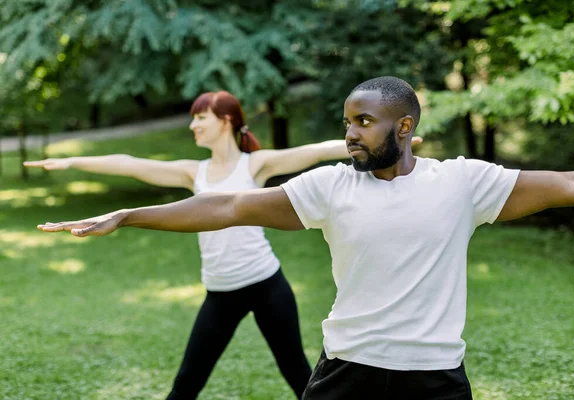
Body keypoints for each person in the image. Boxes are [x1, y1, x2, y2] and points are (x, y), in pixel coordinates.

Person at [36, 76, 574, 400]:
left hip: (435, 379)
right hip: (348, 373)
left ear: (404, 128)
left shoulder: (462, 182)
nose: (349, 134)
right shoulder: (331, 187)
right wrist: (130, 215)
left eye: (363, 123)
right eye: (348, 121)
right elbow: (230, 205)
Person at [25, 89, 423, 399]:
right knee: (187, 382)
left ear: (226, 120)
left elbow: (315, 151)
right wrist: (73, 162)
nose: (194, 125)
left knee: (299, 375)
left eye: (201, 117)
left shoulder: (255, 164)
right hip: (220, 292)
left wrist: (393, 145)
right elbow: (130, 163)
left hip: (267, 285)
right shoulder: (191, 171)